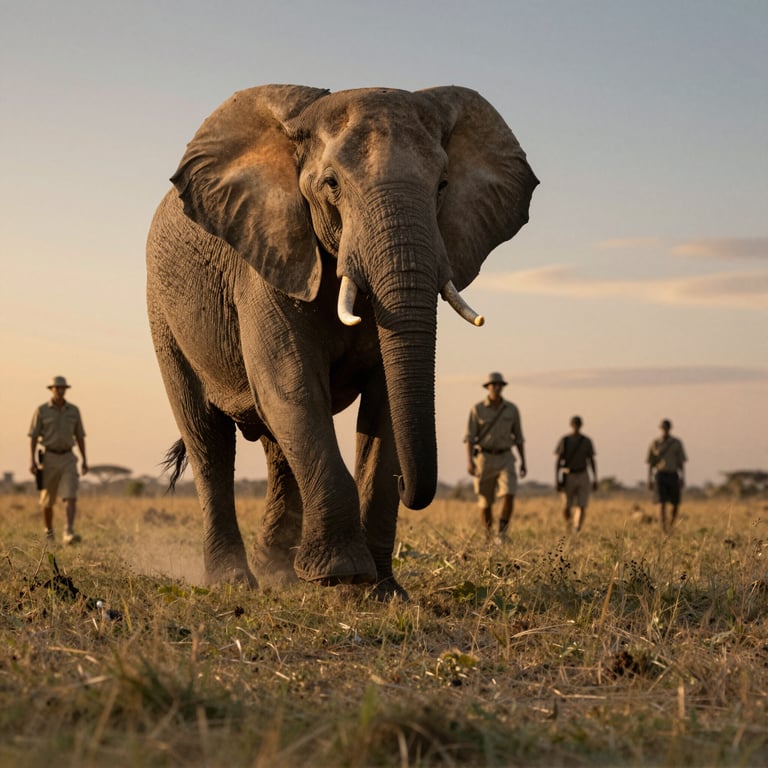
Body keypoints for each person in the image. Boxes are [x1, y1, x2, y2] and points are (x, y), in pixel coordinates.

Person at [465, 372, 527, 543]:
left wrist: (523, 461)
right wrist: (469, 462)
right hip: (484, 458)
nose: (497, 387)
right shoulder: (477, 409)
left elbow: (519, 438)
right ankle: (488, 535)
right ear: (488, 387)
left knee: (509, 493)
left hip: (506, 456)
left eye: (499, 384)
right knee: (485, 501)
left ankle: (501, 533)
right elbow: (469, 439)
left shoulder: (512, 409)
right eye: (493, 384)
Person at [28, 376, 88, 544]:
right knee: (47, 500)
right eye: (57, 388)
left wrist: (84, 460)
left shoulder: (74, 411)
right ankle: (49, 533)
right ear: (52, 389)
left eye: (63, 388)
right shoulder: (42, 411)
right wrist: (32, 461)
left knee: (70, 495)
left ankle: (69, 531)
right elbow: (33, 436)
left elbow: (80, 436)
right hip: (49, 457)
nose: (60, 391)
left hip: (68, 456)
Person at [554, 416, 598, 533]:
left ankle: (577, 528)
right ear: (571, 425)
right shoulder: (565, 440)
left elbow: (591, 460)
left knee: (582, 504)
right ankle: (569, 525)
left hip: (583, 474)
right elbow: (558, 460)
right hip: (568, 474)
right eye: (575, 424)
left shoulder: (586, 441)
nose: (576, 426)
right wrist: (557, 479)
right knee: (566, 505)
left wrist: (595, 478)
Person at [647, 419, 687, 533]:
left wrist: (683, 477)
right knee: (661, 502)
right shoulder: (655, 443)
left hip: (673, 474)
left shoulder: (676, 443)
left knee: (675, 503)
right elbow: (650, 463)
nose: (665, 430)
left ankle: (671, 525)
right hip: (660, 475)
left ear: (670, 428)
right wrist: (649, 479)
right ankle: (664, 528)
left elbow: (681, 462)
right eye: (663, 428)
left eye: (666, 428)